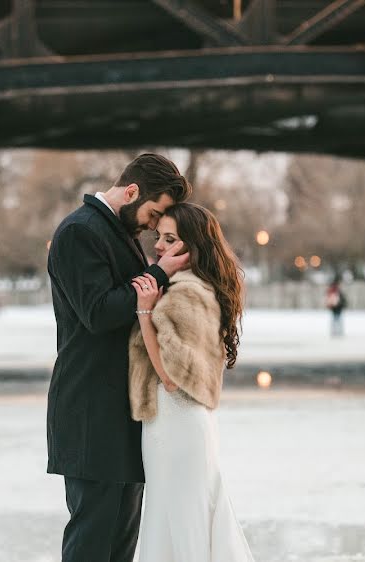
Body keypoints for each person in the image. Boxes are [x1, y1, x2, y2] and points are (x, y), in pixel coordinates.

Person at [46, 153, 192, 562]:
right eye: (153, 212)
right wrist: (159, 273)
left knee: (120, 543)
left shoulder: (117, 231)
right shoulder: (79, 232)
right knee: (92, 541)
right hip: (90, 410)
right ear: (131, 192)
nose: (152, 225)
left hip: (120, 411)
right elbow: (98, 312)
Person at [129, 203, 255, 561]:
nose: (158, 246)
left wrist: (144, 312)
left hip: (178, 424)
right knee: (174, 522)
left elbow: (171, 377)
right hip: (173, 425)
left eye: (170, 239)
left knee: (182, 525)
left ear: (191, 247)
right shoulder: (188, 287)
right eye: (159, 237)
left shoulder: (187, 292)